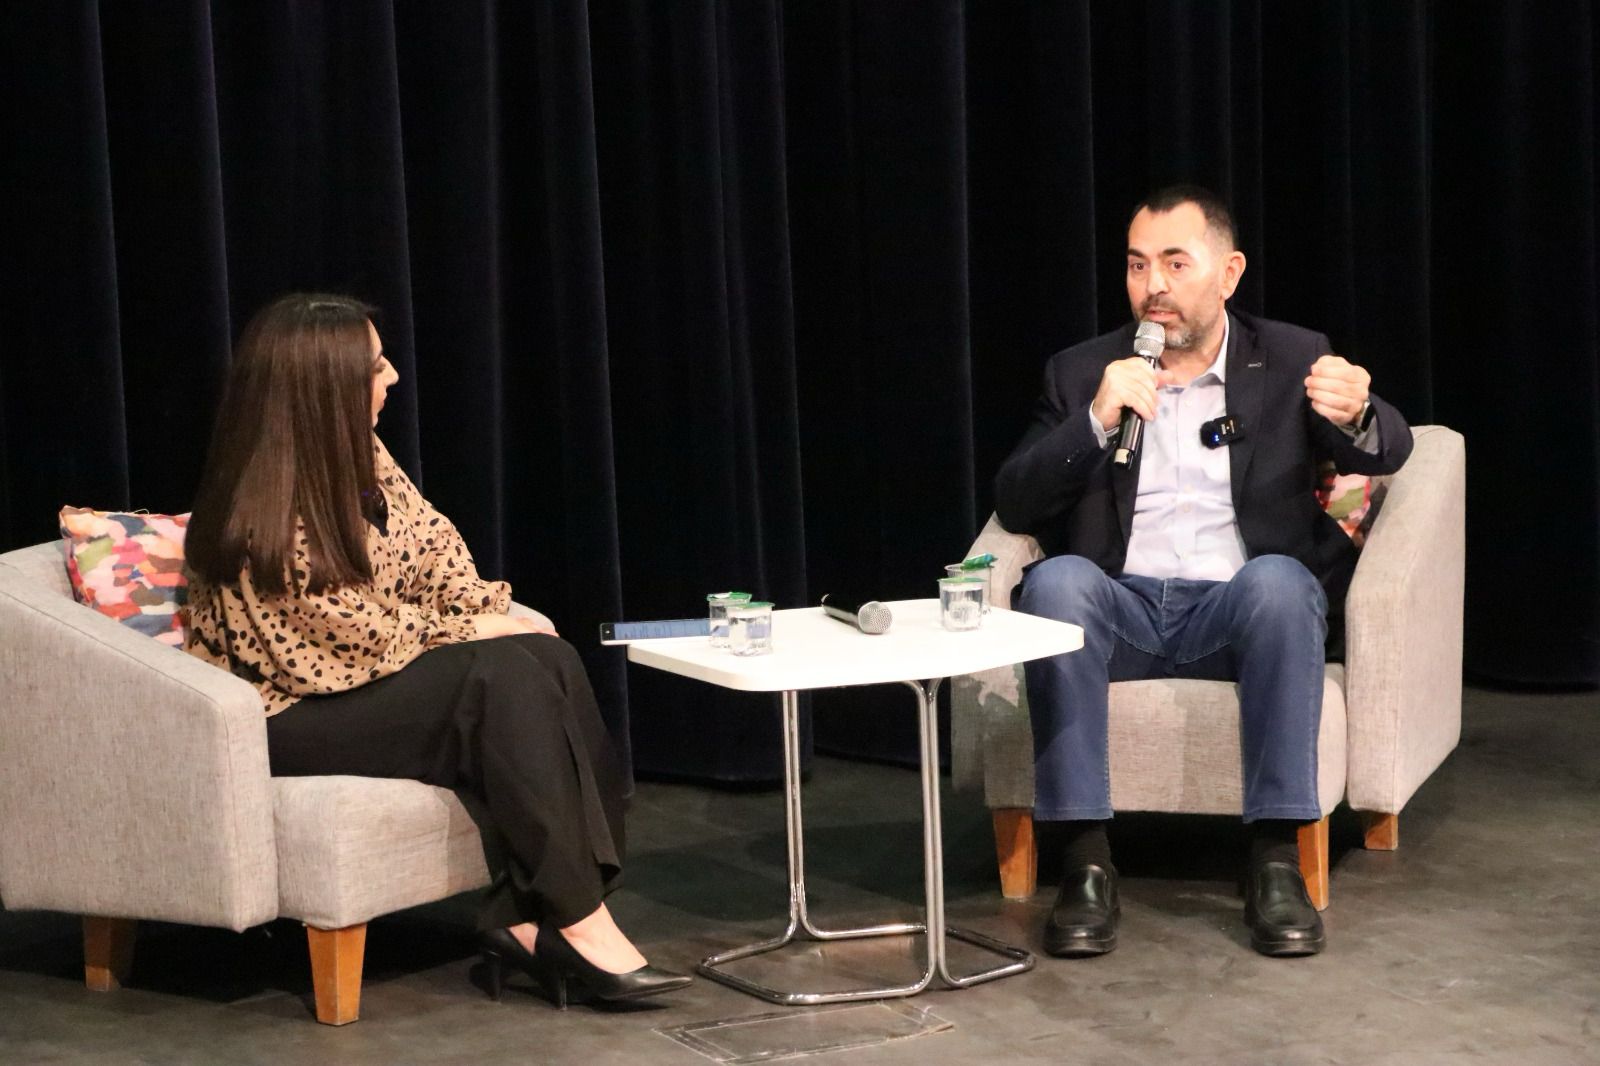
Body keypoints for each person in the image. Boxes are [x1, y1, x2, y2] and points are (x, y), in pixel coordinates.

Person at [183, 293, 690, 1007]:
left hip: (363, 679)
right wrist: (465, 631)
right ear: (325, 388)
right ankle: (579, 925)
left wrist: (487, 611)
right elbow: (329, 642)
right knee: (497, 677)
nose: (392, 377)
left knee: (547, 654)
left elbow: (435, 554)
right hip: (282, 714)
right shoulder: (258, 505)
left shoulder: (362, 457)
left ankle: (530, 917)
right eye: (375, 366)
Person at [994, 186, 1413, 959]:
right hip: (1120, 612)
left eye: (1175, 263)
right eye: (1137, 265)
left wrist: (1361, 411)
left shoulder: (1289, 358)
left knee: (1281, 583)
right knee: (1056, 585)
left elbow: (1385, 451)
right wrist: (1095, 421)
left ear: (1228, 273)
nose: (1153, 285)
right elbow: (1015, 501)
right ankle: (1085, 862)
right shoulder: (1084, 370)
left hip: (1238, 613)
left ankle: (1275, 859)